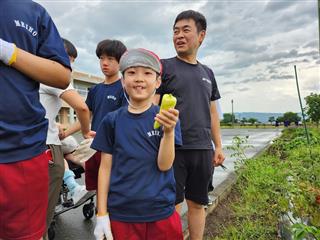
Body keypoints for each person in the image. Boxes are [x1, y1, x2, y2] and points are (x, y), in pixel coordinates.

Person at [92, 48, 183, 240]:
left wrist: (168, 132)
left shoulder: (167, 118)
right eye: (132, 72)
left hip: (161, 212)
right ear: (123, 81)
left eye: (148, 73)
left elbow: (165, 165)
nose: (139, 78)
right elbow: (105, 169)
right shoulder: (111, 121)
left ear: (158, 82)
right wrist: (101, 214)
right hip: (122, 214)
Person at [0, 1, 71, 240]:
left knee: (26, 234)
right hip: (43, 145)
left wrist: (9, 52)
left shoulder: (33, 11)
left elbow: (62, 76)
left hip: (22, 150)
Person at [154, 10, 225, 240]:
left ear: (201, 35)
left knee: (198, 204)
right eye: (175, 31)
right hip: (173, 148)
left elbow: (213, 113)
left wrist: (219, 146)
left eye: (186, 30)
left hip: (203, 149)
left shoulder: (208, 73)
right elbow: (152, 106)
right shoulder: (163, 67)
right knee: (171, 205)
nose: (179, 36)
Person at [39, 38, 94, 238]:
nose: (69, 65)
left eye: (71, 61)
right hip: (47, 143)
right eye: (67, 58)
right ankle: (76, 186)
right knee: (42, 213)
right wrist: (86, 131)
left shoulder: (29, 72)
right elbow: (82, 108)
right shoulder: (55, 74)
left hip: (28, 141)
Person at [83, 39, 127, 192]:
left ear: (121, 62)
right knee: (95, 189)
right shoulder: (94, 90)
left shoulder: (125, 89)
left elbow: (124, 121)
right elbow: (85, 115)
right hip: (93, 147)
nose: (104, 63)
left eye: (110, 59)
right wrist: (67, 133)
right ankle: (98, 212)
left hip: (112, 148)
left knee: (111, 188)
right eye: (102, 58)